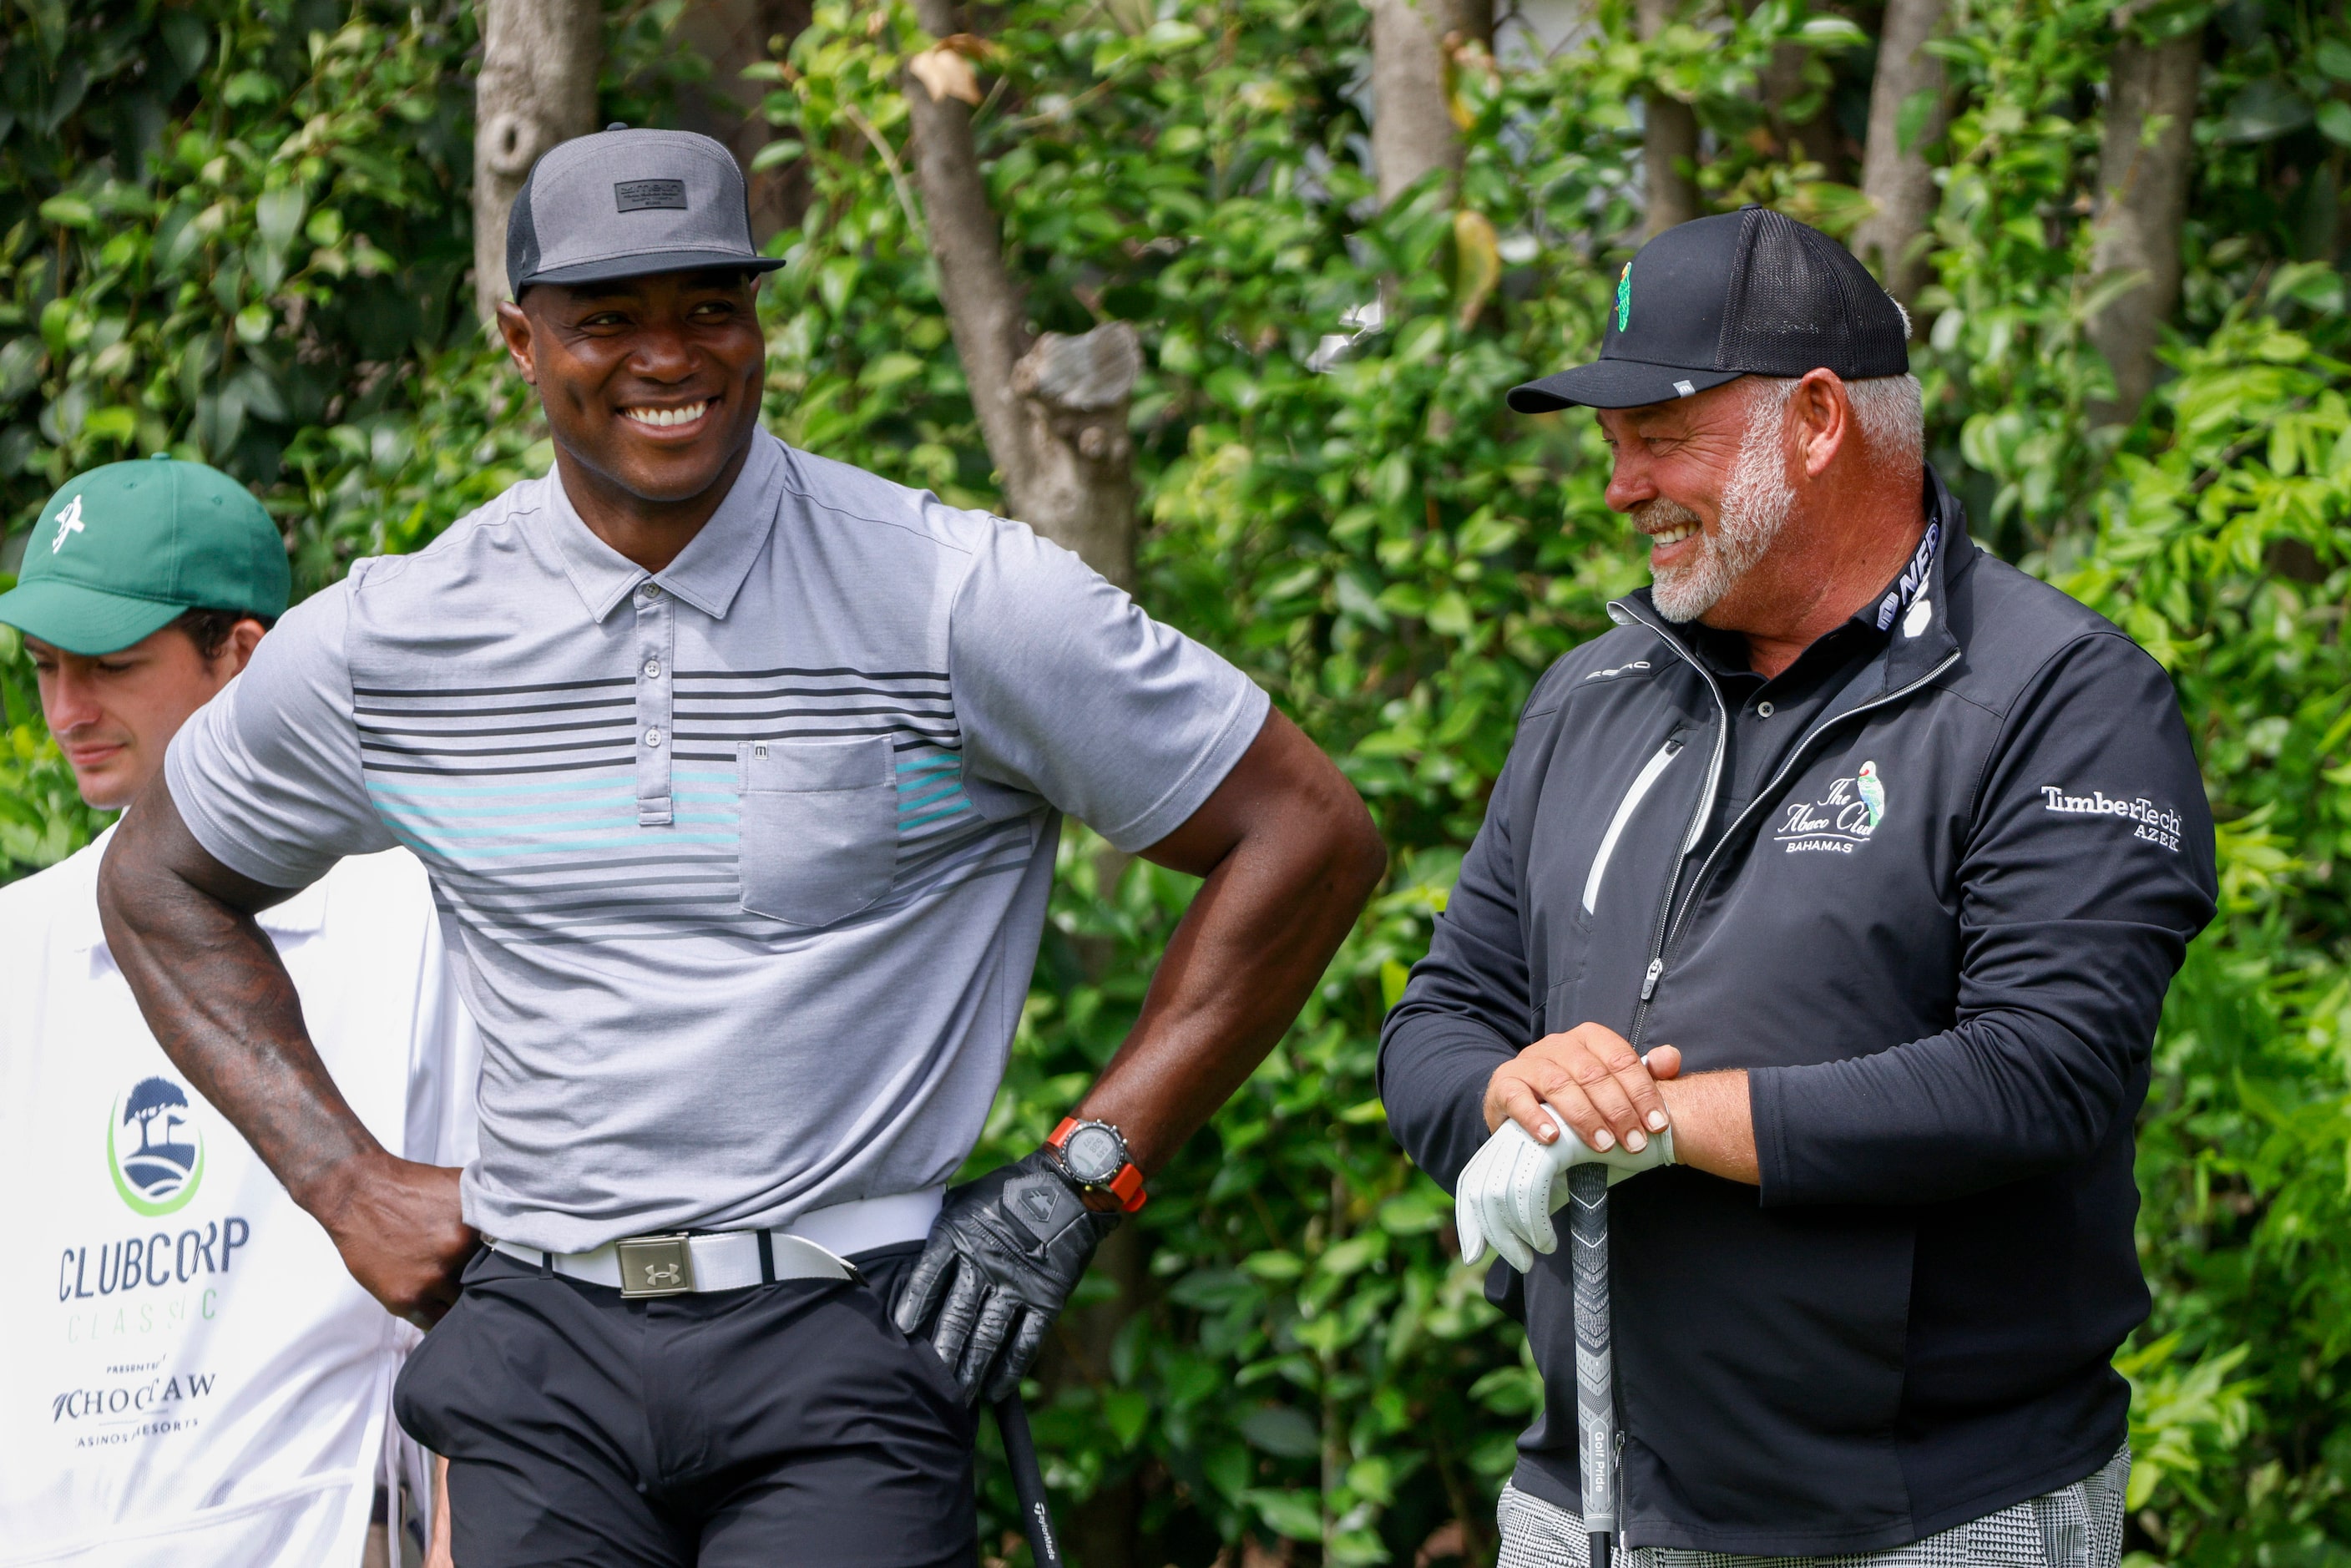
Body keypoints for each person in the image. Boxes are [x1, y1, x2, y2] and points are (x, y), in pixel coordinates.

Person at [94, 126, 1386, 1567]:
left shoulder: (957, 598)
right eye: (610, 319)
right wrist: (343, 1179)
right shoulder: (398, 638)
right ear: (521, 341)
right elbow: (157, 882)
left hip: (846, 1335)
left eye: (711, 306)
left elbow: (1305, 833)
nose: (672, 356)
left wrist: (1085, 1175)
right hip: (539, 1353)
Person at [1380, 208, 2218, 1568]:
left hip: (1926, 1514)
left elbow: (2046, 1071)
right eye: (1609, 449)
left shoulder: (2063, 697)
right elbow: (1436, 1021)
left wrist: (1659, 1119)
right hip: (1580, 1500)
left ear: (1817, 419)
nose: (1619, 487)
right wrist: (1513, 1090)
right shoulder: (1592, 692)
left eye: (1659, 439)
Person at [0, 455, 477, 1567]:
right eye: (42, 668)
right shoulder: (16, 940)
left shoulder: (411, 911)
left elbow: (490, 1285)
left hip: (321, 1532)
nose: (68, 712)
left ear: (244, 656)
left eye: (111, 666)